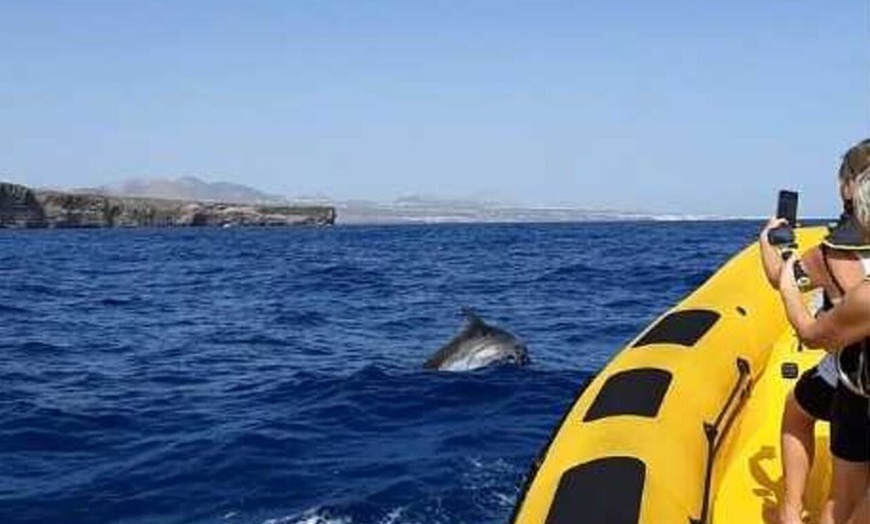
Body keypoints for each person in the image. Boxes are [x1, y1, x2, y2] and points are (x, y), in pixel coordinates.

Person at [759, 139, 870, 524]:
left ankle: (791, 508)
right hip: (851, 372)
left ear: (848, 189)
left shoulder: (831, 254)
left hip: (853, 376)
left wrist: (769, 245)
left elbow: (784, 282)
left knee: (842, 500)